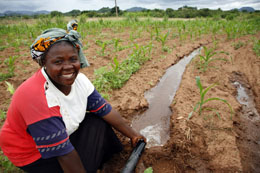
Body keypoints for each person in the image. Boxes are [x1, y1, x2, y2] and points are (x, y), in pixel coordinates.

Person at [0, 20, 146, 173]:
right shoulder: (36, 96)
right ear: (43, 63)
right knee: (81, 165)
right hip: (32, 153)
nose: (68, 66)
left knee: (97, 122)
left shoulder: (80, 81)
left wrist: (134, 135)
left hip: (60, 134)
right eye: (58, 61)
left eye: (73, 59)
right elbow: (64, 154)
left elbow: (104, 109)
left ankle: (111, 159)